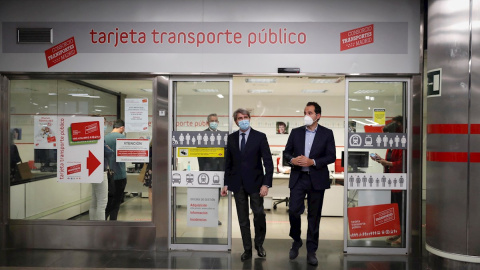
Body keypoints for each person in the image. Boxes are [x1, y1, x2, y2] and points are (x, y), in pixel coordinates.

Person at [283, 101, 336, 266]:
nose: (307, 115)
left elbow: (331, 156)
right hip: (298, 178)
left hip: (316, 179)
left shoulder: (327, 133)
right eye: (305, 112)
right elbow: (286, 153)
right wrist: (292, 160)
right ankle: (296, 240)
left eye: (310, 113)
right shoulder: (296, 132)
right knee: (293, 211)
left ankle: (311, 250)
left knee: (314, 216)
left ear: (318, 116)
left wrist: (312, 161)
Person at [221, 108, 273, 261]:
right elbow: (228, 163)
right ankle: (247, 249)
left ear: (249, 119)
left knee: (259, 215)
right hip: (238, 185)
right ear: (236, 121)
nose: (243, 120)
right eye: (239, 118)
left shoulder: (260, 137)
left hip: (256, 184)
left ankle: (259, 244)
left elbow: (268, 163)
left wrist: (266, 184)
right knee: (243, 219)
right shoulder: (231, 138)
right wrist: (226, 183)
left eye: (245, 117)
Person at [371, 115, 404, 246]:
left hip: (399, 181)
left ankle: (404, 235)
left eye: (395, 124)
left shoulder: (402, 142)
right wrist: (382, 160)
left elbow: (402, 163)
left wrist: (388, 163)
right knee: (395, 208)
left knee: (401, 208)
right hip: (391, 180)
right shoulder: (393, 142)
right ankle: (398, 232)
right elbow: (390, 160)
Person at [198, 113, 225, 225]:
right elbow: (200, 154)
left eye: (216, 121)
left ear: (218, 122)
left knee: (217, 194)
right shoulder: (203, 135)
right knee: (208, 194)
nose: (214, 122)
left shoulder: (222, 135)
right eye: (212, 121)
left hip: (219, 170)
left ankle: (213, 217)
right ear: (207, 122)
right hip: (208, 169)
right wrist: (203, 171)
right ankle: (207, 217)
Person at [89, 117, 114, 220]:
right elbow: (109, 152)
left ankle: (93, 224)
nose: (104, 125)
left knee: (94, 200)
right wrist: (109, 149)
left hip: (92, 170)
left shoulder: (89, 136)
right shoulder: (98, 137)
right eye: (103, 123)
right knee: (102, 202)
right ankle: (100, 227)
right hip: (100, 171)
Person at [104, 119, 127, 220]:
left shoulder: (105, 138)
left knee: (108, 200)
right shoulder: (122, 137)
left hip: (107, 173)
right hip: (119, 174)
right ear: (122, 127)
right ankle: (113, 222)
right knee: (117, 201)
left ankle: (102, 219)